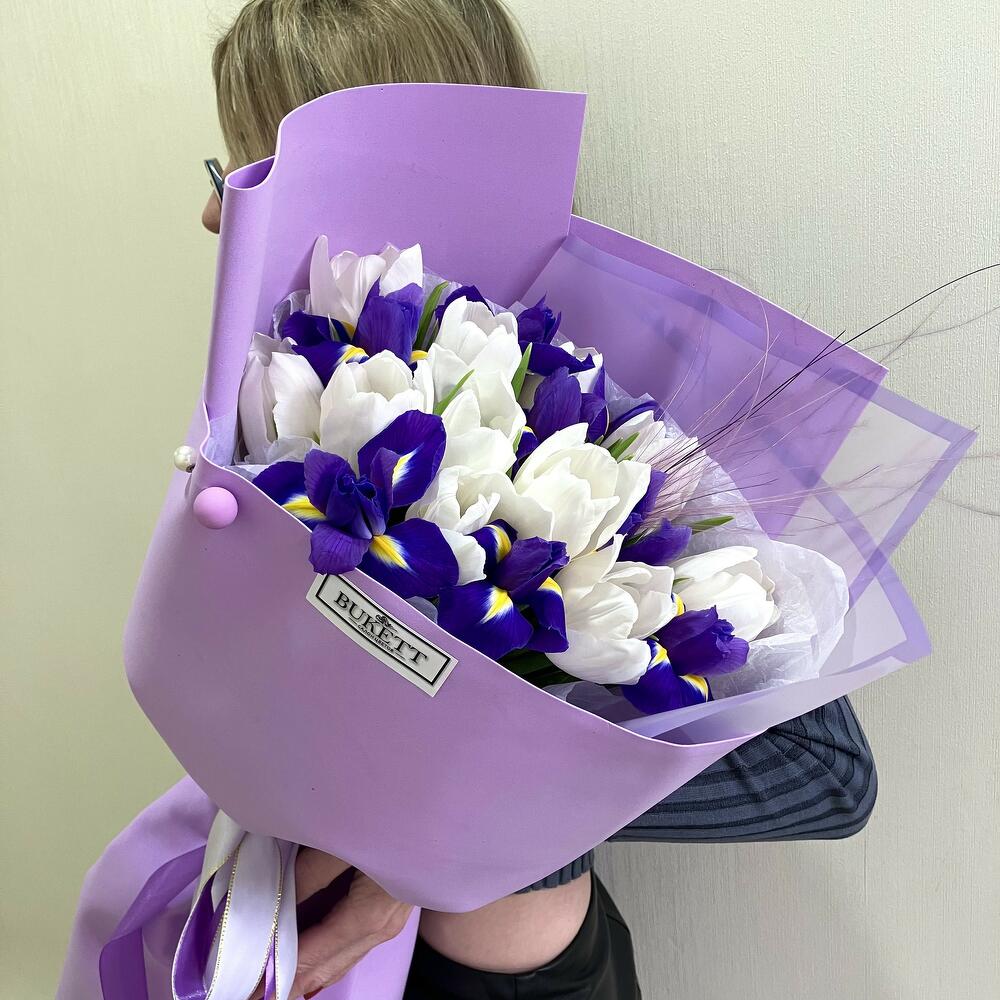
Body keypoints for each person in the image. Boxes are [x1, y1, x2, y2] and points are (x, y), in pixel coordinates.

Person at [200, 3, 877, 997]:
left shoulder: (587, 410)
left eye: (248, 174)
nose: (212, 214)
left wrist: (431, 838)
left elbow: (820, 771)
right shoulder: (290, 376)